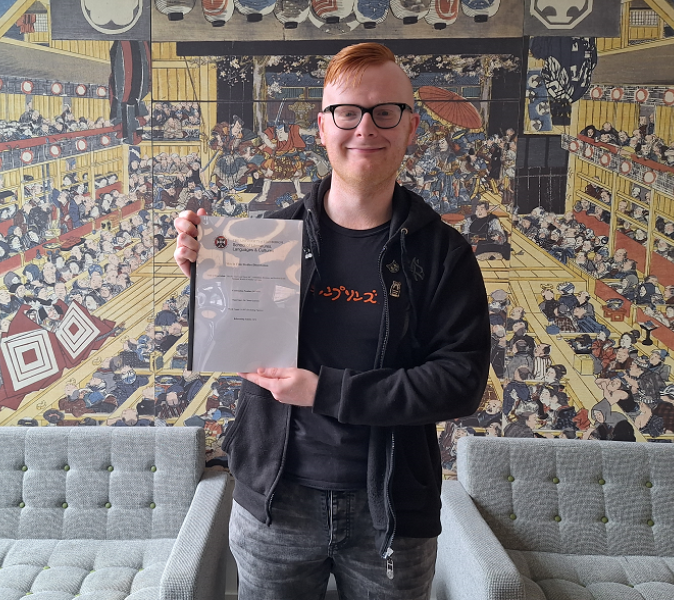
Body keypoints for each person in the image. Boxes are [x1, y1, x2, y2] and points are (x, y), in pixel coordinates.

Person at [173, 43, 489, 600]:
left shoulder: (444, 255)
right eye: (348, 112)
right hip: (274, 503)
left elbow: (460, 383)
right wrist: (206, 277)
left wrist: (326, 391)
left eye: (385, 111)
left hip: (391, 513)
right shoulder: (265, 241)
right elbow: (235, 345)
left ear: (410, 127)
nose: (365, 127)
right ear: (322, 127)